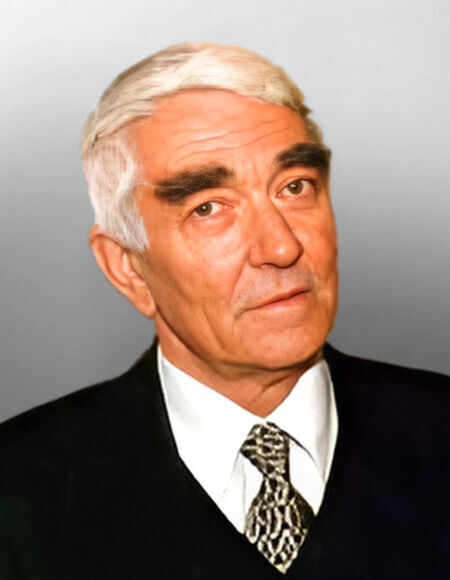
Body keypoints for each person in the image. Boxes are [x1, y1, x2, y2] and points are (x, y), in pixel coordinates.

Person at [0, 43, 448, 579]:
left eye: (294, 187)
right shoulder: (18, 488)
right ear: (128, 267)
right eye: (208, 208)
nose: (281, 246)